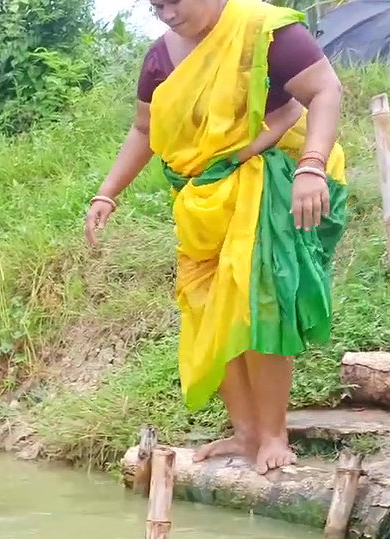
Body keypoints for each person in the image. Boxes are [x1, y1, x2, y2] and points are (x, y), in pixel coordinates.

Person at [86, 0, 348, 474]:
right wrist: (107, 194)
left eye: (173, 2)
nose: (166, 14)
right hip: (203, 195)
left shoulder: (263, 31)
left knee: (259, 301)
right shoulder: (159, 59)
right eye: (154, 5)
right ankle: (245, 432)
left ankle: (273, 435)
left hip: (270, 182)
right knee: (208, 307)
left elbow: (325, 90)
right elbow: (145, 129)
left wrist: (313, 166)